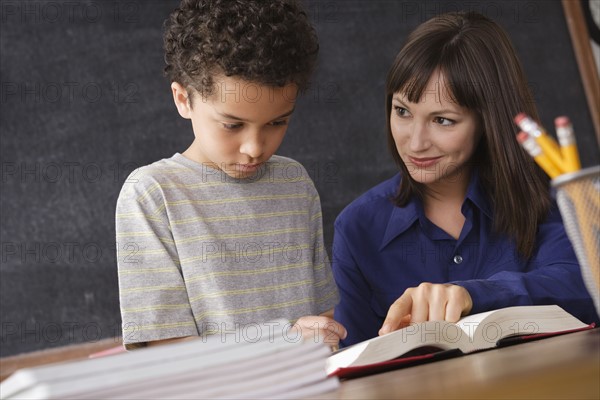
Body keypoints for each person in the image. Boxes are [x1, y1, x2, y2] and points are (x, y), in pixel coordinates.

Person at [332, 11, 598, 347]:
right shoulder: (357, 229)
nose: (415, 143)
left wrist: (473, 295)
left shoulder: (552, 197)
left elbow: (582, 288)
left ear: (488, 121)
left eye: (443, 120)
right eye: (402, 111)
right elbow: (352, 361)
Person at [115, 0, 345, 349]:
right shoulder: (153, 195)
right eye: (232, 124)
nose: (254, 147)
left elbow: (321, 320)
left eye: (277, 122)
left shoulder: (294, 184)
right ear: (183, 100)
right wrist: (281, 345)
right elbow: (169, 356)